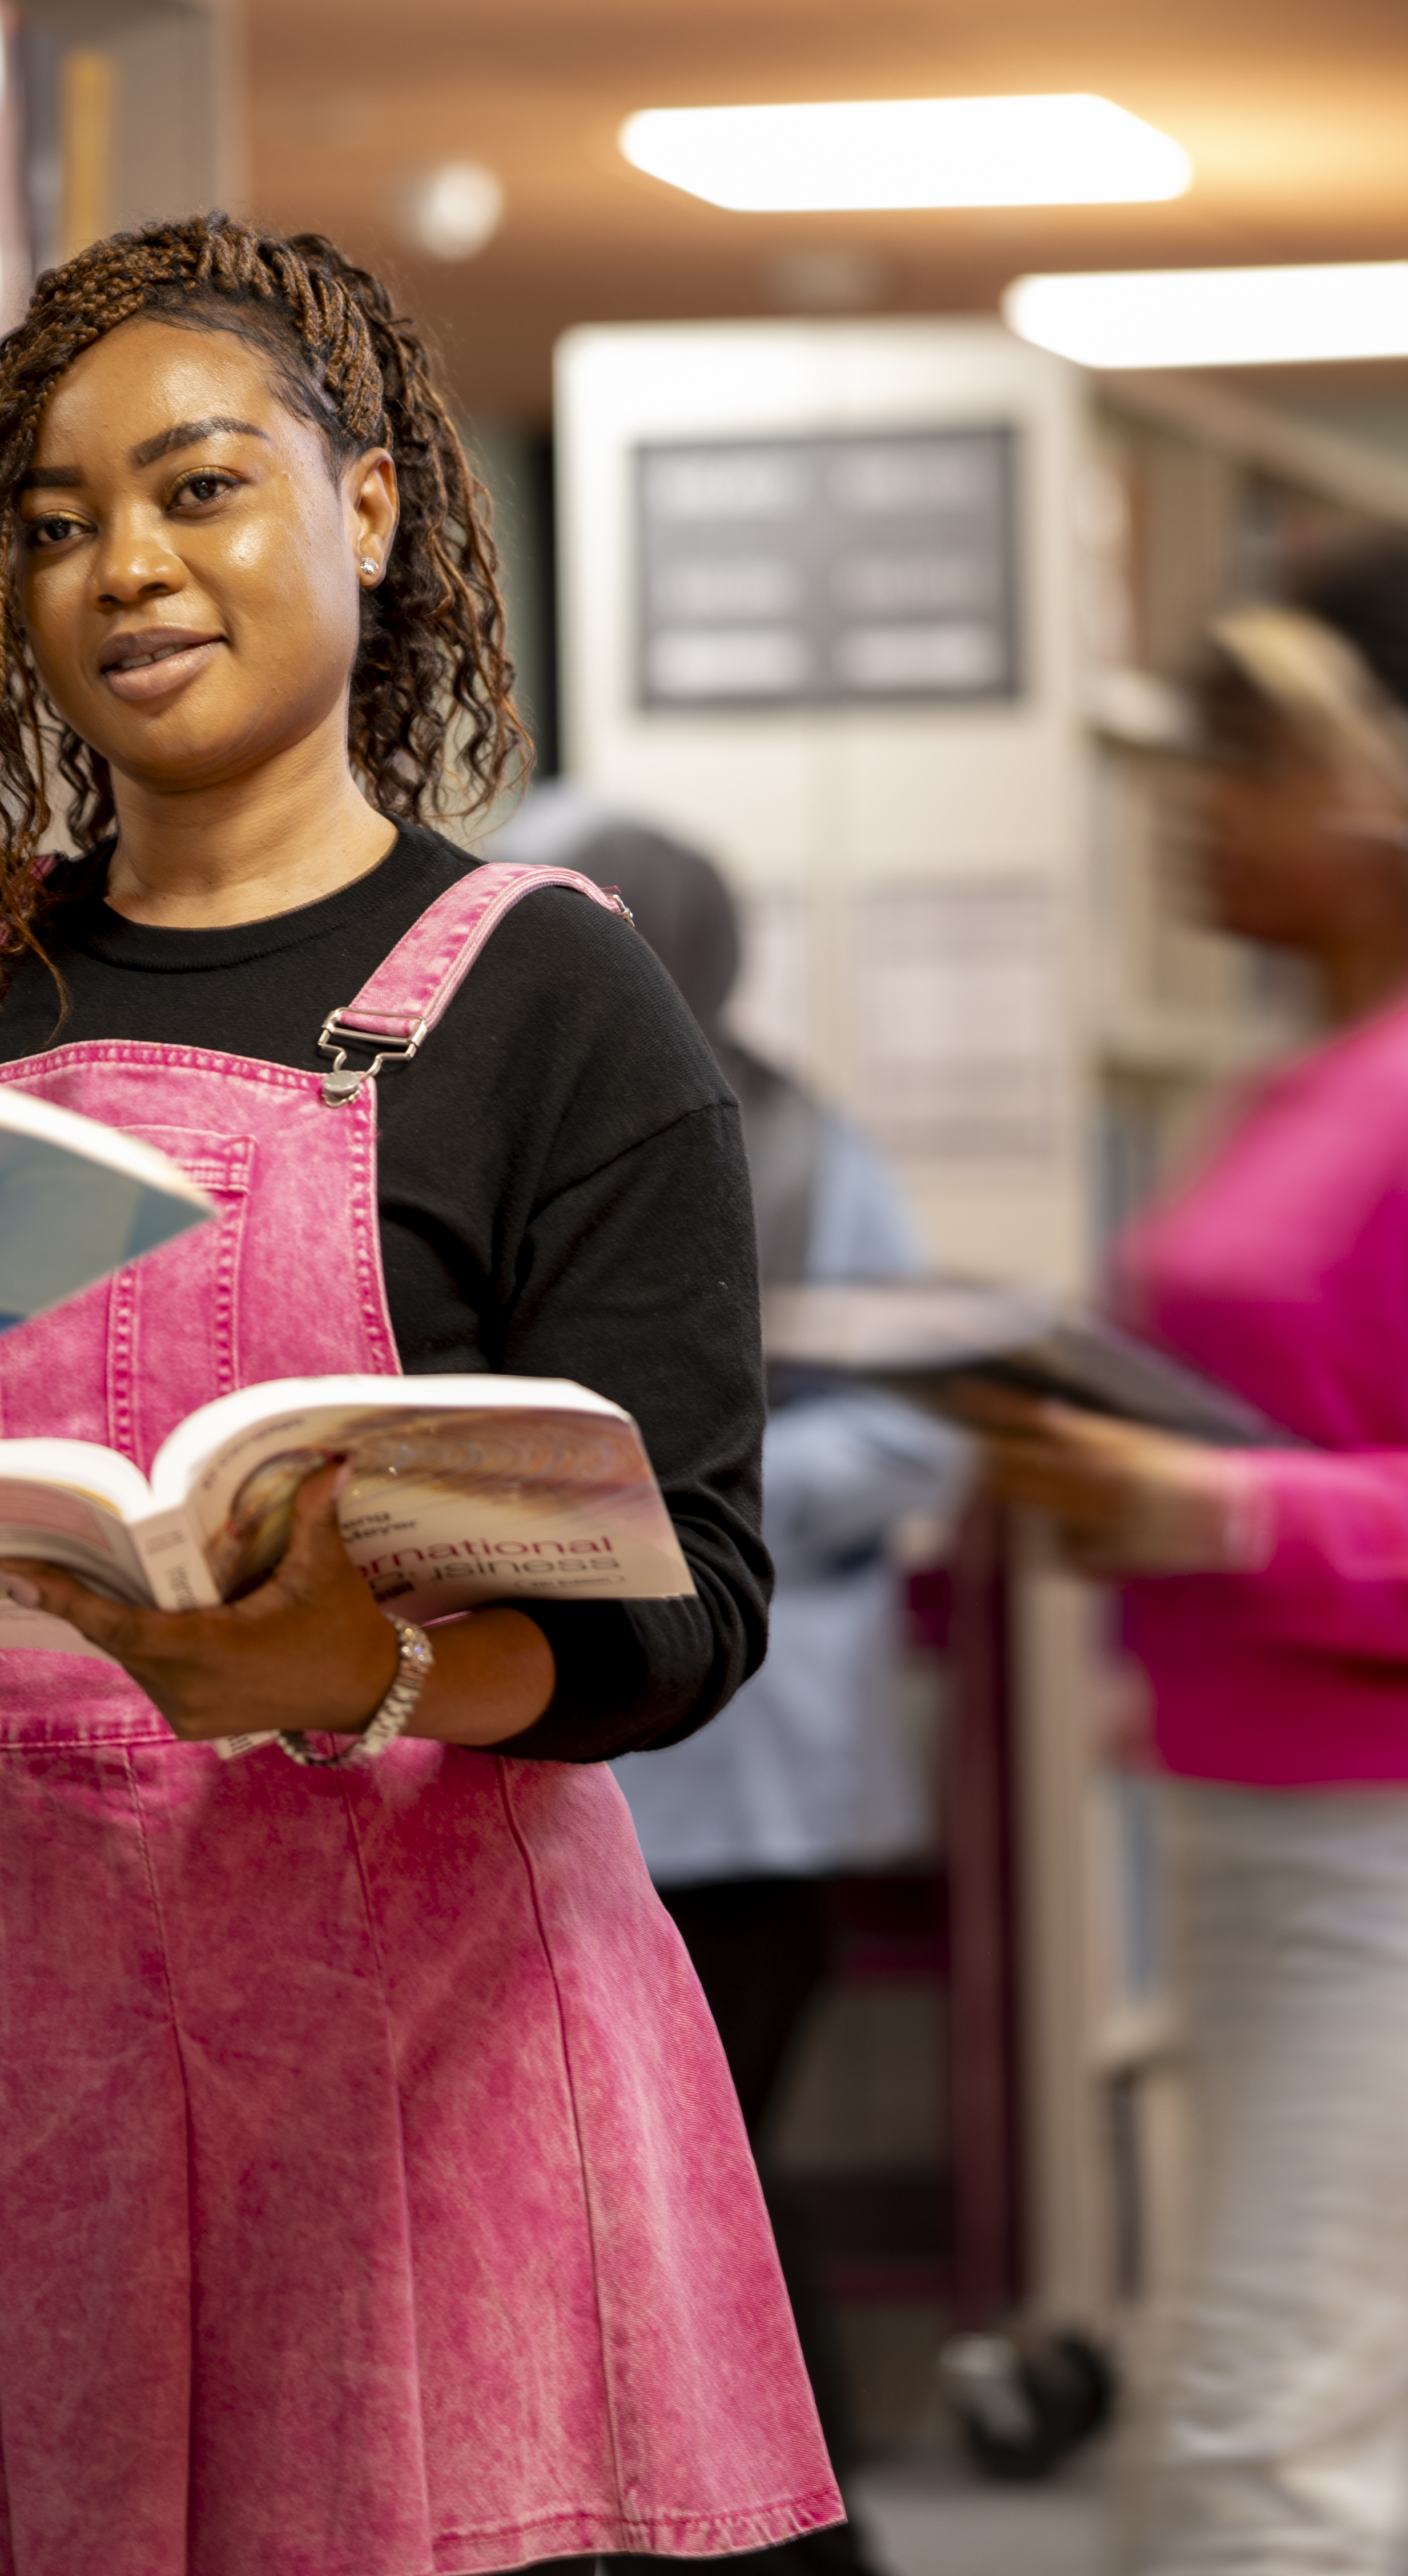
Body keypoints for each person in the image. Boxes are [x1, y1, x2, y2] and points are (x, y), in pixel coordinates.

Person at [0, 216, 837, 2574]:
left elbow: (690, 1602)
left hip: (414, 2079)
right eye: (53, 525)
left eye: (195, 492)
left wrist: (365, 1666)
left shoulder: (551, 1012)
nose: (123, 572)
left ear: (365, 512)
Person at [960, 536, 1408, 2576]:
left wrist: (1213, 1513)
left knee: (1258, 2462)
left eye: (1257, 759)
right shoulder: (1297, 1088)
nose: (1204, 802)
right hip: (1269, 1844)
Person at [521, 808, 963, 2575]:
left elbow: (918, 1421)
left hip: (754, 1786)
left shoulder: (806, 1142)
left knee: (710, 2194)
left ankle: (795, 2541)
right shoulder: (509, 1116)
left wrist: (702, 1492)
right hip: (556, 1766)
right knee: (615, 2212)